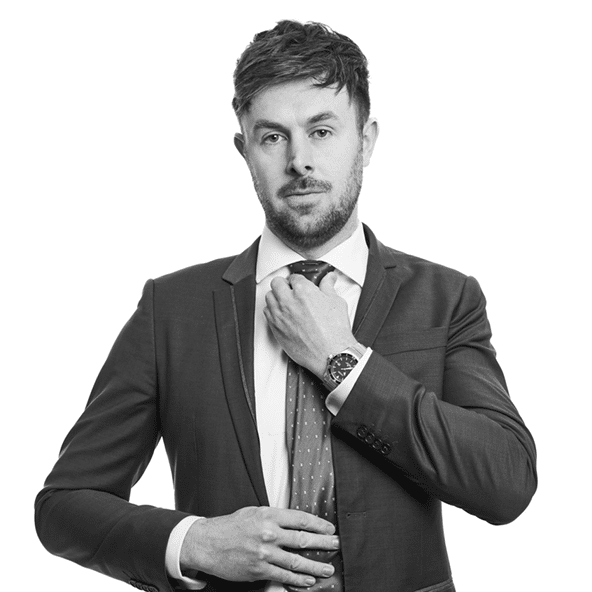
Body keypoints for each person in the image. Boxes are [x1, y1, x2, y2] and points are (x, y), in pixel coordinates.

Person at [35, 20, 537, 592]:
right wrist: (196, 542)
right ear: (244, 150)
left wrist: (344, 363)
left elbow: (507, 482)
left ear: (366, 140)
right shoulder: (171, 310)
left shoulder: (445, 299)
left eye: (322, 131)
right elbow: (64, 505)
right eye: (273, 137)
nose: (300, 160)